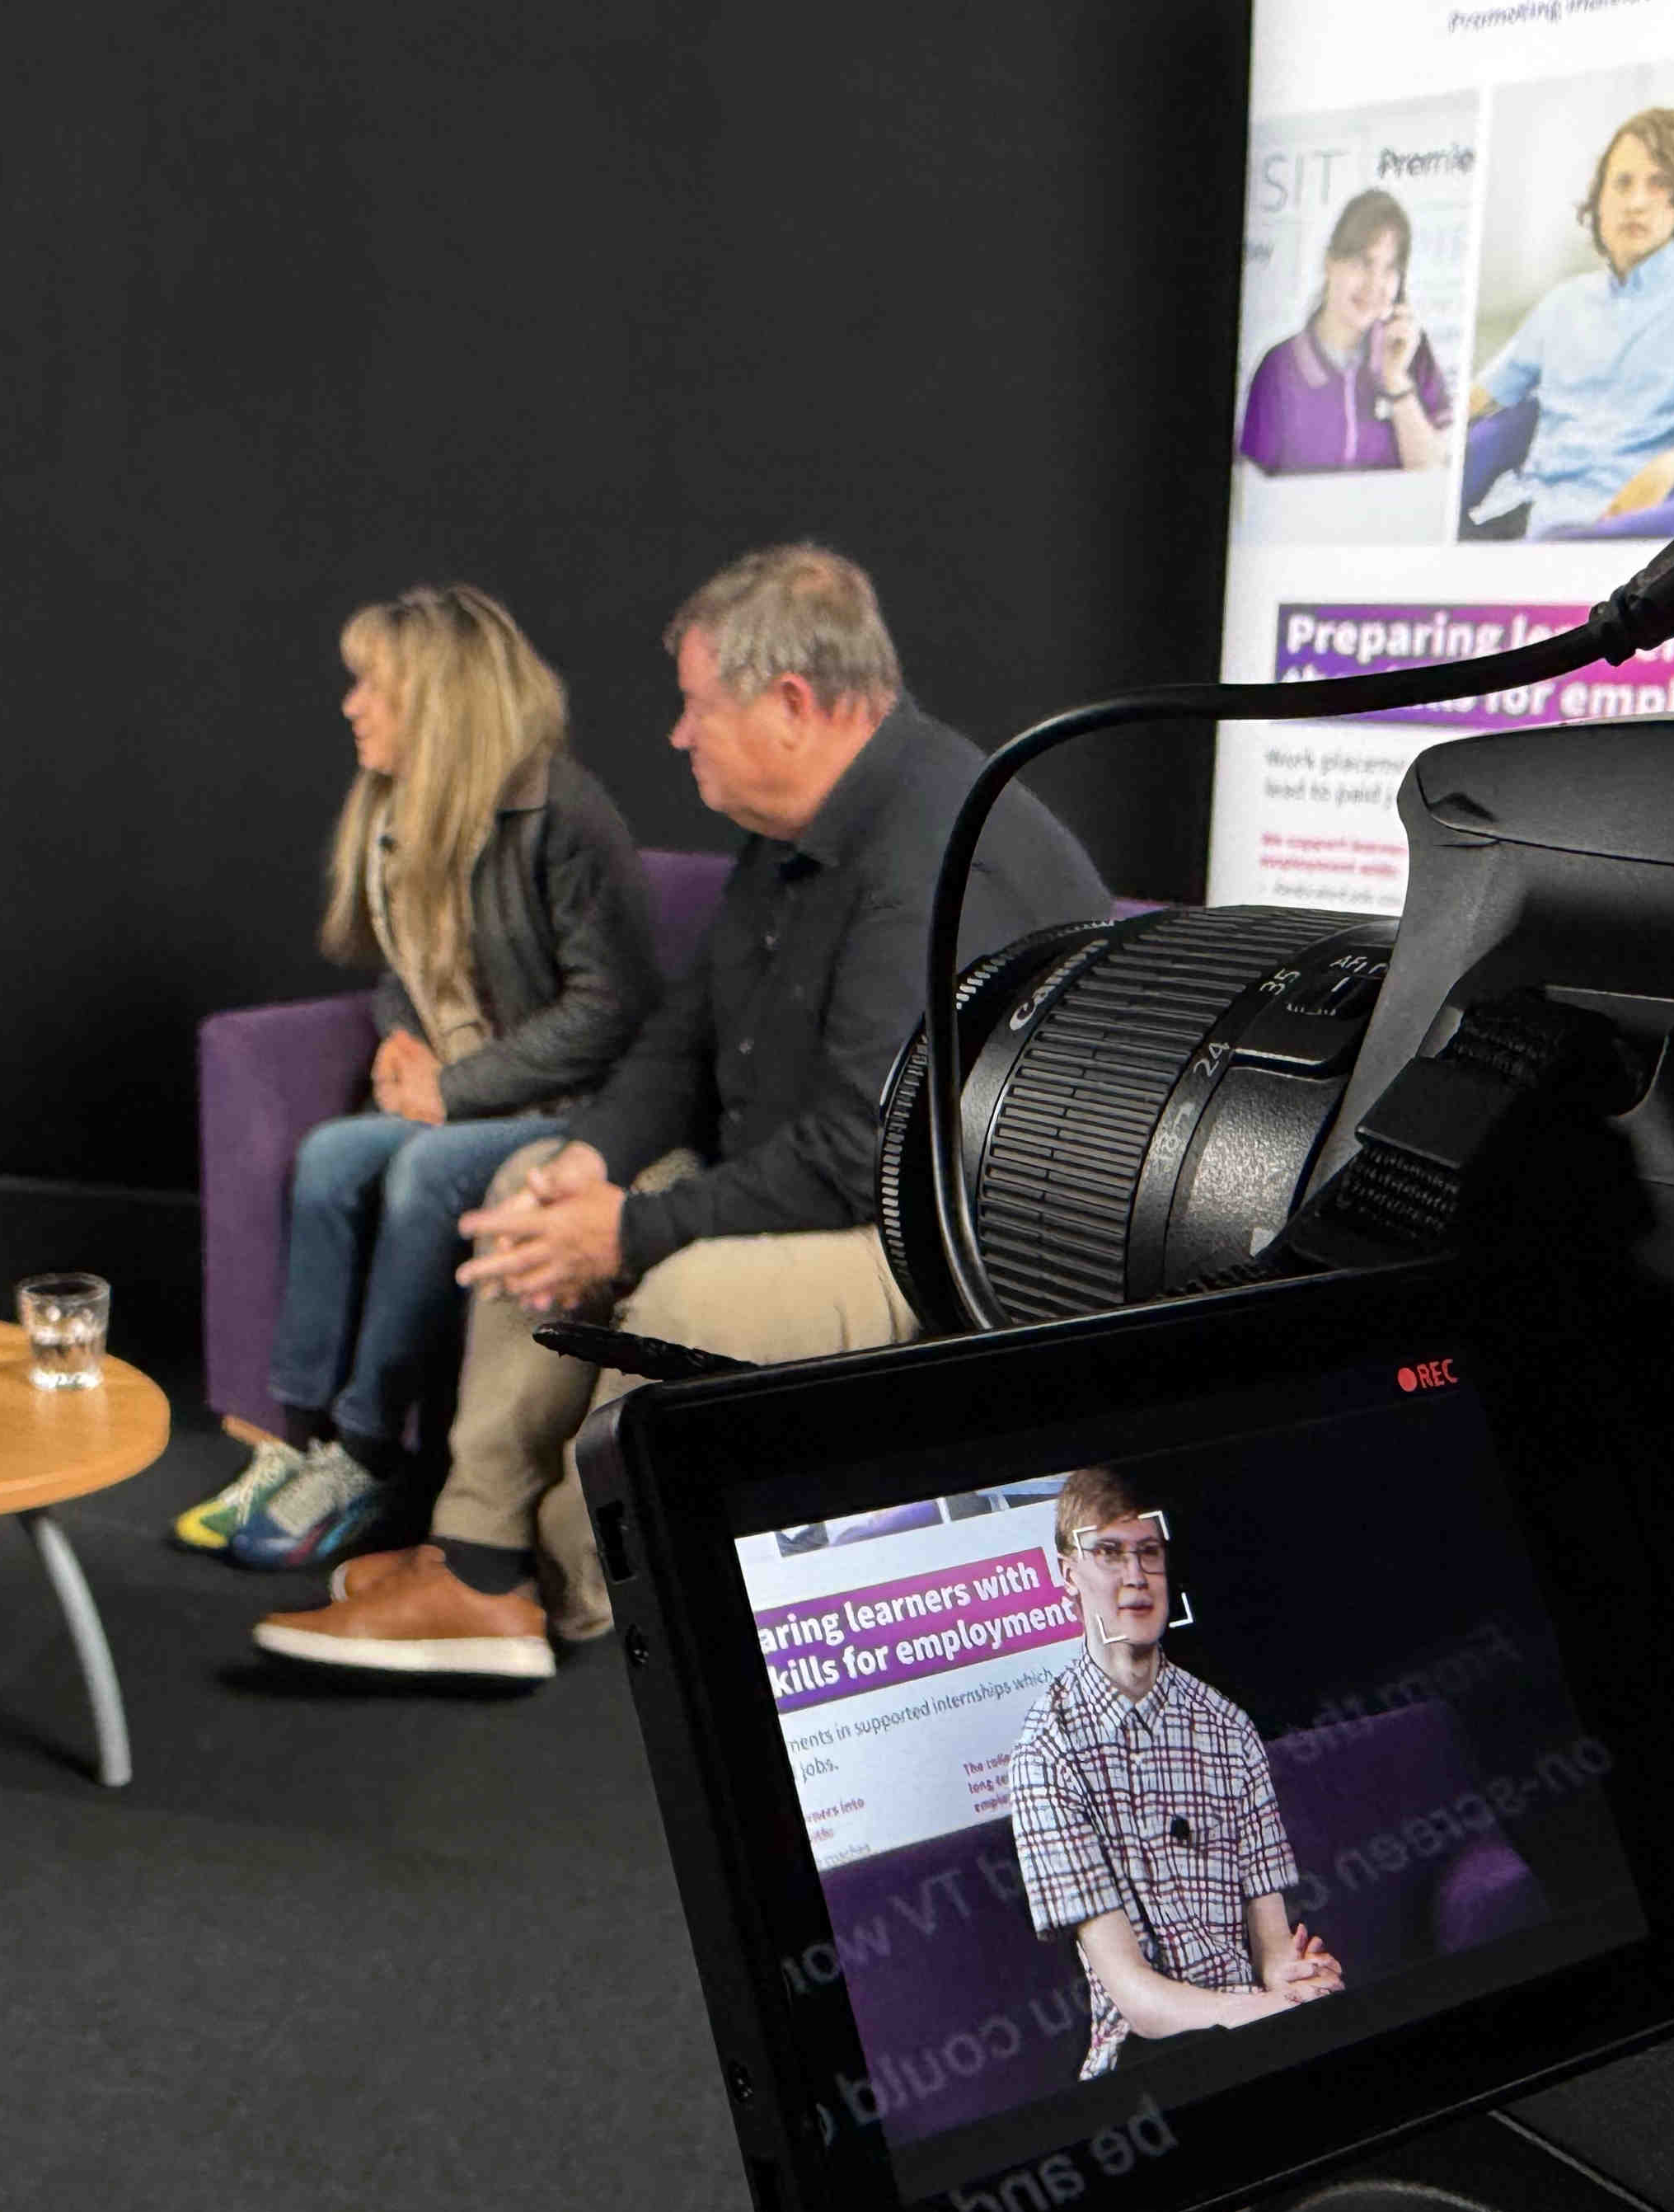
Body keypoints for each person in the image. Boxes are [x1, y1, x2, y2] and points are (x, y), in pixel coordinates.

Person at [250, 545, 1113, 1681]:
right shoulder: (799, 828)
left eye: (698, 706)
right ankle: (478, 1563)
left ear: (791, 705)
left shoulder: (930, 857)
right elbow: (686, 1034)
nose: (676, 733)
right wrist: (591, 1163)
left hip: (927, 1245)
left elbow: (861, 1159)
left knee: (681, 1296)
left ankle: (574, 1587)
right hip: (800, 1181)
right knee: (529, 1191)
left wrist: (629, 1230)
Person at [176, 585, 662, 1571]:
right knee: (329, 1156)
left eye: (374, 687)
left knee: (422, 1170)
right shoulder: (401, 810)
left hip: (570, 1108)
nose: (351, 705)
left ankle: (364, 1453)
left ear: (439, 702)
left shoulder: (563, 812)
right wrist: (401, 1041)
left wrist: (454, 1089)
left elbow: (610, 1010)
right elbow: (406, 964)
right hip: (470, 1095)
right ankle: (296, 1438)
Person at [1004, 1470, 1344, 2080]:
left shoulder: (1229, 1728)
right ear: (1069, 1575)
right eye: (1109, 1553)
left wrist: (1293, 1979)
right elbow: (1136, 1998)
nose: (1135, 1576)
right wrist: (1263, 2011)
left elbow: (1270, 1943)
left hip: (1253, 2024)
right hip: (1150, 2058)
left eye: (1149, 1553)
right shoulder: (1046, 1755)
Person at [1464, 106, 1674, 538]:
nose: (1636, 202)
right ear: (1599, 200)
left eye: (1659, 183)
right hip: (1517, 510)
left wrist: (1669, 467)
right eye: (1622, 183)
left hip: (1615, 524)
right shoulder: (1564, 302)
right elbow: (1480, 397)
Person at [1236, 188, 1452, 475]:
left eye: (1390, 268)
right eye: (1363, 263)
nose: (1375, 285)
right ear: (1330, 263)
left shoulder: (1413, 352)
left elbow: (1434, 475)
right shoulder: (1278, 367)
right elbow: (1253, 482)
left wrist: (1396, 380)